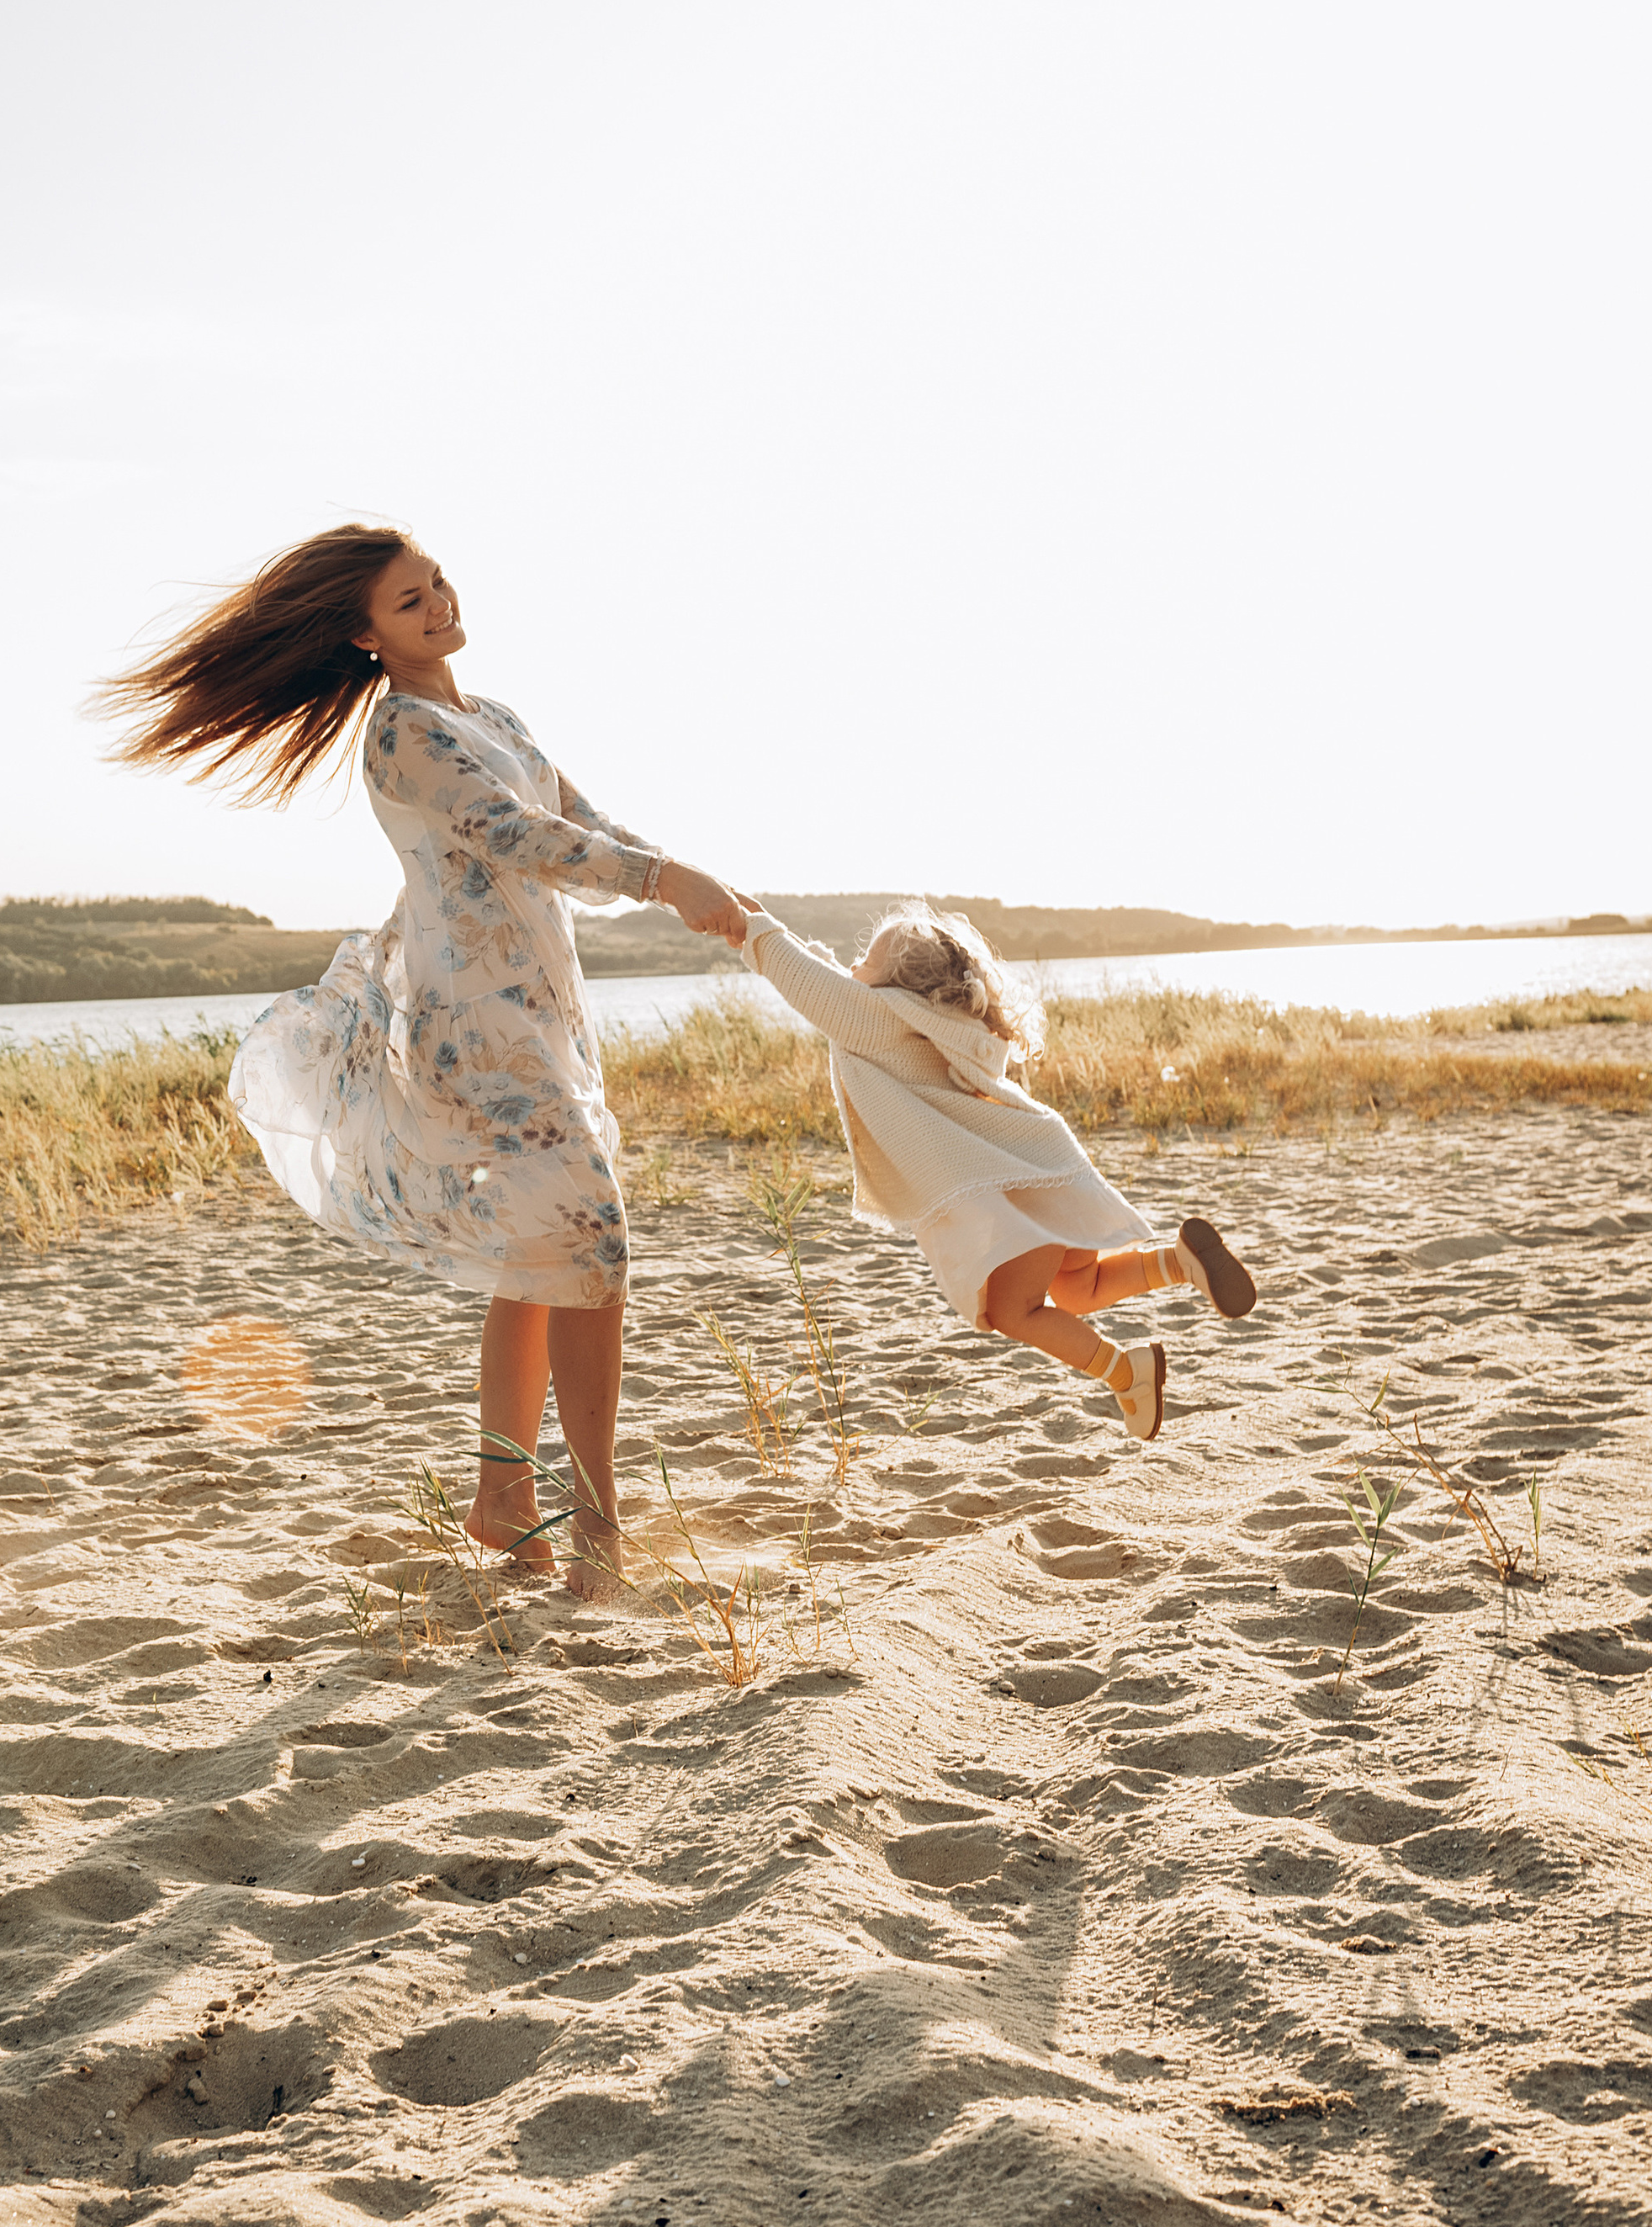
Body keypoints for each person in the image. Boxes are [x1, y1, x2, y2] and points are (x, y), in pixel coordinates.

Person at [98, 524, 744, 1591]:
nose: (439, 603)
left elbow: (578, 822)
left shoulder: (492, 715)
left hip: (543, 1008)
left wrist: (696, 885)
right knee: (593, 1247)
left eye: (437, 582)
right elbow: (512, 833)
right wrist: (667, 879)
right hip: (474, 1025)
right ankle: (597, 1527)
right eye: (410, 601)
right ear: (364, 635)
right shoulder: (400, 734)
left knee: (545, 1257)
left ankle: (503, 1499)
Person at [729, 894, 1256, 1439]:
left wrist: (748, 928)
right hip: (1039, 1160)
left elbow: (808, 981)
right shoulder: (930, 1020)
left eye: (866, 957)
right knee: (1078, 1285)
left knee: (1015, 1311)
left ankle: (1129, 1373)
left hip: (1016, 1180)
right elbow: (830, 979)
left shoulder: (875, 1019)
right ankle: (1177, 1260)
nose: (854, 964)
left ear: (894, 987)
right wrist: (759, 922)